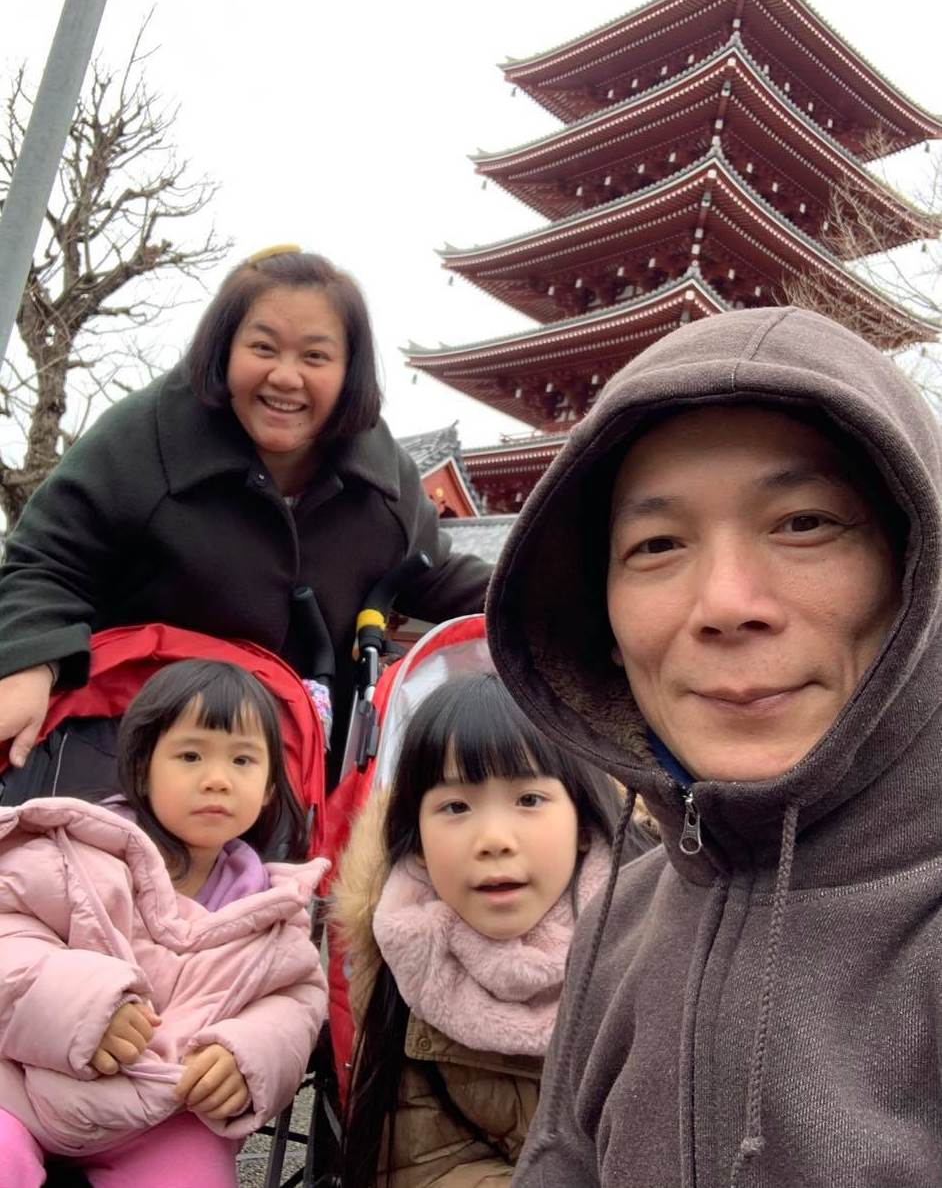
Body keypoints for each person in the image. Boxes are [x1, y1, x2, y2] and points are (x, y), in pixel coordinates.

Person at [486, 305, 942, 1186]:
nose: (727, 603)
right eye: (657, 544)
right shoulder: (619, 918)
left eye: (804, 522)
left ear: (913, 567)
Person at [0, 247, 491, 780]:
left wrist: (548, 604)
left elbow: (432, 572)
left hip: (298, 771)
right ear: (223, 349)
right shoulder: (146, 437)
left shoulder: (380, 480)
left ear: (349, 370)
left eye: (315, 357)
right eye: (263, 347)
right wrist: (32, 662)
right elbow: (48, 561)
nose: (285, 377)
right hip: (135, 751)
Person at [0, 658, 329, 1188]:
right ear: (142, 771)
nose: (217, 780)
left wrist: (245, 1054)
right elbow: (8, 935)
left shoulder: (272, 911)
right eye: (191, 755)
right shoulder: (75, 854)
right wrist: (81, 1004)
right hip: (22, 1085)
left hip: (163, 1115)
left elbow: (295, 1005)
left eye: (243, 760)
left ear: (270, 786)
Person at [334, 672, 649, 1187]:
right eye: (456, 807)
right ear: (417, 843)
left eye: (529, 800)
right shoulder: (409, 954)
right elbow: (427, 1165)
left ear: (583, 825)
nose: (494, 839)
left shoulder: (648, 934)